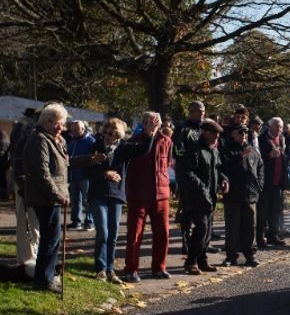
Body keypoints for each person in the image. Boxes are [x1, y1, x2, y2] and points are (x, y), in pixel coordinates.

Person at [81, 117, 155, 284]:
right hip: (97, 194)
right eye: (106, 133)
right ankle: (100, 268)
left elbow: (144, 149)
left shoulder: (123, 147)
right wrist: (104, 174)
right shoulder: (95, 147)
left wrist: (150, 133)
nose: (107, 136)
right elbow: (85, 171)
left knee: (113, 234)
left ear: (118, 135)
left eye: (112, 134)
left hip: (116, 195)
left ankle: (110, 269)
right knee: (103, 232)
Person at [23, 103, 71, 292]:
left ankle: (44, 277)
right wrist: (58, 196)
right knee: (50, 239)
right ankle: (44, 280)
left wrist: (89, 160)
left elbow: (62, 165)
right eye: (58, 123)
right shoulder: (39, 140)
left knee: (51, 238)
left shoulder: (51, 139)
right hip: (45, 198)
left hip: (49, 197)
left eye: (62, 123)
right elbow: (42, 173)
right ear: (47, 121)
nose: (61, 127)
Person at [122, 112, 171, 282]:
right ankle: (131, 269)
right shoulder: (134, 141)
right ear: (143, 124)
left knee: (163, 234)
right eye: (150, 122)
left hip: (161, 194)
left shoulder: (166, 140)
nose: (154, 125)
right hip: (139, 194)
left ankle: (159, 267)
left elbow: (167, 163)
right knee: (135, 234)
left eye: (156, 122)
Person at [180, 119, 228, 275]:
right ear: (205, 132)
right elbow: (188, 172)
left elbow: (218, 169)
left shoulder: (214, 150)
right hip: (197, 197)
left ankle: (202, 259)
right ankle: (191, 261)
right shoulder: (195, 149)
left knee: (207, 232)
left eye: (218, 135)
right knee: (201, 229)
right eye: (214, 134)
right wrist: (201, 188)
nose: (217, 137)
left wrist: (223, 180)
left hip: (211, 197)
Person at [219, 125, 263, 267]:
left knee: (250, 227)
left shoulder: (253, 150)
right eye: (240, 132)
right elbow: (224, 168)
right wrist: (240, 156)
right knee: (232, 227)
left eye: (245, 132)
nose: (243, 134)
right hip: (233, 195)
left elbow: (260, 167)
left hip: (250, 194)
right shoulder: (226, 149)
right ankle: (231, 256)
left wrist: (259, 185)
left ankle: (251, 255)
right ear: (233, 134)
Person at [9, 108, 40, 277]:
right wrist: (22, 180)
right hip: (26, 180)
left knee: (28, 221)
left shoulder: (22, 127)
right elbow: (19, 156)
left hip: (25, 179)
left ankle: (28, 256)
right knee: (28, 221)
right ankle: (28, 258)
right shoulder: (27, 129)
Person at [173, 100, 205, 255]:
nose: (202, 114)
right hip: (186, 174)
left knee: (203, 209)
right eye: (199, 111)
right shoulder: (182, 128)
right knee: (188, 209)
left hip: (202, 174)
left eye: (203, 111)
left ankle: (202, 242)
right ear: (191, 112)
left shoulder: (204, 128)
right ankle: (186, 241)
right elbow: (178, 151)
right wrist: (191, 161)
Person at [257, 117, 288, 247]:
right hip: (266, 181)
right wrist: (269, 155)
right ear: (269, 126)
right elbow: (257, 159)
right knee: (263, 211)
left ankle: (273, 235)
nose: (279, 129)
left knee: (276, 211)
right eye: (277, 126)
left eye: (281, 127)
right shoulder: (261, 139)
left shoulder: (281, 138)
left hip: (278, 180)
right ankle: (260, 237)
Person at [65, 120, 96, 231]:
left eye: (76, 130)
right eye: (72, 130)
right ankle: (76, 221)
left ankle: (89, 222)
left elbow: (93, 158)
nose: (73, 132)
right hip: (73, 174)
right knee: (75, 199)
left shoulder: (90, 141)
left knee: (87, 200)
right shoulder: (72, 141)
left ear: (83, 129)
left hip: (85, 175)